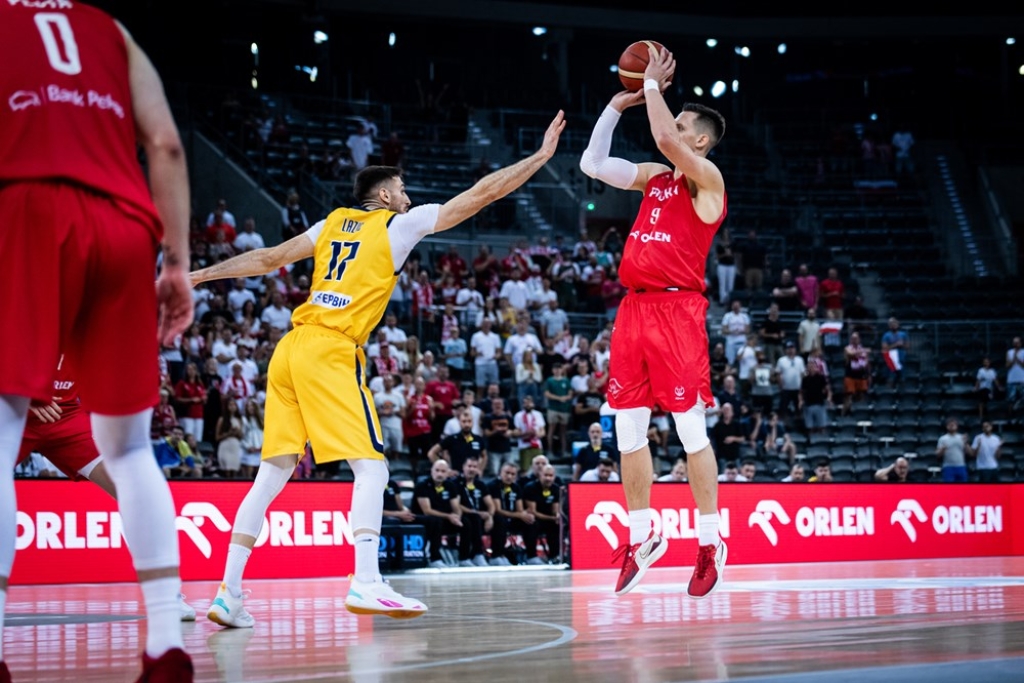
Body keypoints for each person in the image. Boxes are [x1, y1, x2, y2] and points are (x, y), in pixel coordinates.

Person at [190, 112, 565, 624]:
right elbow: (480, 195)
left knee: (270, 475)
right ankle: (366, 581)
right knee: (373, 468)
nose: (408, 196)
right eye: (403, 189)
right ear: (385, 195)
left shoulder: (329, 224)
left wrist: (200, 276)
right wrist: (539, 158)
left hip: (290, 349)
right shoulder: (397, 224)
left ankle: (228, 593)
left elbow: (267, 259)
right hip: (332, 350)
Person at [0, 3, 195, 679]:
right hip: (123, 224)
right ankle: (166, 644)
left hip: (26, 205)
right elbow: (166, 145)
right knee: (134, 449)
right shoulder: (111, 30)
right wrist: (177, 262)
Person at [580, 46, 727, 598]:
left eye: (683, 125)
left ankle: (710, 542)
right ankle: (643, 538)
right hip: (634, 309)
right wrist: (616, 108)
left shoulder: (707, 181)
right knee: (627, 431)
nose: (671, 127)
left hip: (678, 311)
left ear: (700, 142)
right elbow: (593, 165)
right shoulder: (657, 179)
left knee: (690, 431)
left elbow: (665, 137)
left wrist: (650, 86)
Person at [522, 465, 562, 564]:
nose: (548, 478)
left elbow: (555, 509)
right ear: (540, 475)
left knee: (557, 524)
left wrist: (557, 515)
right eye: (546, 475)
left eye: (551, 476)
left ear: (554, 476)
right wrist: (552, 518)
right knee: (531, 522)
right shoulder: (530, 487)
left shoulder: (556, 488)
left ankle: (555, 556)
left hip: (548, 519)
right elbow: (532, 511)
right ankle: (531, 556)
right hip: (535, 518)